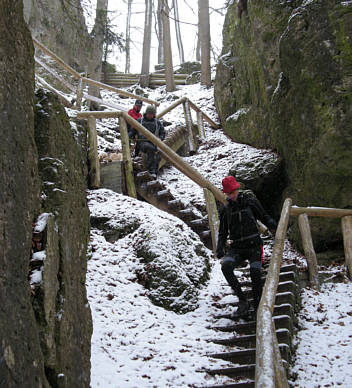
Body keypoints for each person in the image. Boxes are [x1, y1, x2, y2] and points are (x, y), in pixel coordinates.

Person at [216, 176, 277, 318]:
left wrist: (273, 225)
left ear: (237, 189)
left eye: (233, 192)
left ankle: (258, 305)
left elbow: (263, 216)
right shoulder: (226, 210)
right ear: (226, 194)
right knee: (226, 266)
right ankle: (243, 300)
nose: (232, 195)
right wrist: (220, 247)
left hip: (255, 245)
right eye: (229, 193)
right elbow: (223, 231)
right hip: (237, 247)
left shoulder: (250, 202)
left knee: (255, 272)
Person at [129, 105, 165, 178]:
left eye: (151, 114)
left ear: (154, 114)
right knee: (150, 149)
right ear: (146, 113)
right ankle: (151, 171)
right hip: (141, 143)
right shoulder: (140, 121)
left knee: (157, 155)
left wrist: (160, 138)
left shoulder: (157, 122)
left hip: (154, 143)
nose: (150, 115)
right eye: (149, 114)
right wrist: (129, 137)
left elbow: (162, 132)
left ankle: (154, 171)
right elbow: (132, 131)